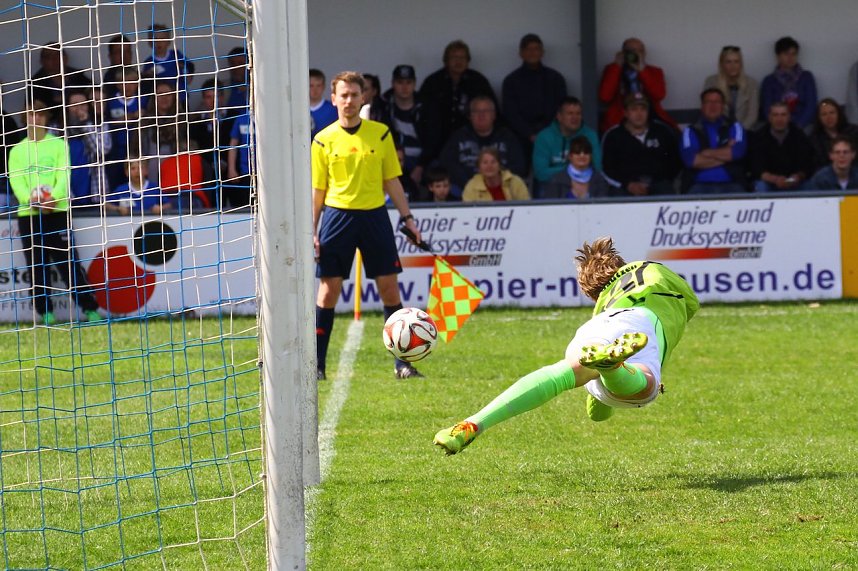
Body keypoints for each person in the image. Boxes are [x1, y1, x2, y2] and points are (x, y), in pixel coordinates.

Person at [433, 236, 699, 455]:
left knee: (563, 373)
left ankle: (473, 424)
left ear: (593, 292)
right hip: (642, 321)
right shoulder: (653, 269)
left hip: (599, 326)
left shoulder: (602, 305)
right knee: (646, 387)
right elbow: (691, 304)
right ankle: (612, 369)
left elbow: (598, 416)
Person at [311, 71, 424, 381]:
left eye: (354, 95)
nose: (348, 101)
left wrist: (408, 218)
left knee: (389, 289)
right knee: (328, 292)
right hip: (337, 216)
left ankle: (402, 364)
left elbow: (392, 180)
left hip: (375, 216)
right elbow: (318, 190)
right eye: (343, 95)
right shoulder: (322, 140)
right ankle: (317, 365)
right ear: (333, 99)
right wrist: (313, 230)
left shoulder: (381, 134)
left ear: (364, 98)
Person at [7, 101, 102, 326]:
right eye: (30, 115)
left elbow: (63, 174)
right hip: (29, 215)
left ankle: (90, 309)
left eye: (39, 114)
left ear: (46, 118)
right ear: (24, 119)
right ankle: (45, 313)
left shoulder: (59, 145)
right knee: (37, 265)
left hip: (57, 212)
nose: (35, 119)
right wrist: (29, 199)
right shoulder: (17, 150)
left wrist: (54, 199)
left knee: (69, 262)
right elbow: (16, 180)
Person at [438, 96, 526, 192]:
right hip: (465, 188)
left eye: (486, 111)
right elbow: (448, 164)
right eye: (476, 111)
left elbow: (518, 166)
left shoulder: (507, 137)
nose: (481, 115)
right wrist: (472, 184)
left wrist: (495, 182)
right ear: (470, 116)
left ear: (494, 115)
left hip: (501, 188)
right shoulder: (458, 136)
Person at [501, 33, 567, 159]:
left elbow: (562, 109)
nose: (532, 52)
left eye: (536, 49)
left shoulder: (556, 79)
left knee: (551, 172)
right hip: (519, 136)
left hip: (551, 133)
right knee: (519, 172)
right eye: (528, 49)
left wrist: (545, 134)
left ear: (542, 52)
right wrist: (529, 134)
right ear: (521, 53)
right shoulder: (511, 81)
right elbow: (510, 113)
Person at [601, 93, 680, 196]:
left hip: (658, 185)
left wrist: (660, 181)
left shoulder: (662, 131)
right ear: (625, 112)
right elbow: (606, 169)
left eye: (643, 109)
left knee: (667, 192)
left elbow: (675, 162)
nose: (639, 114)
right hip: (625, 188)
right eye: (634, 109)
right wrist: (627, 185)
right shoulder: (613, 135)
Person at [419, 40, 496, 144]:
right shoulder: (433, 82)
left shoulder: (478, 81)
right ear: (446, 60)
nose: (458, 61)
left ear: (468, 61)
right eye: (454, 57)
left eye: (462, 58)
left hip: (472, 138)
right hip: (437, 141)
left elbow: (492, 111)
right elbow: (421, 111)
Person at [598, 37, 677, 133]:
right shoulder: (612, 69)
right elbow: (605, 97)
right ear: (623, 53)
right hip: (620, 120)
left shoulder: (655, 71)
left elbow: (659, 95)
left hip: (650, 117)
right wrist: (617, 67)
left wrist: (642, 71)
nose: (636, 54)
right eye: (632, 51)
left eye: (640, 51)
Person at [381, 65, 442, 188]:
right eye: (400, 82)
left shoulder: (427, 106)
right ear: (393, 83)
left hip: (423, 159)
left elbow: (433, 141)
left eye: (409, 82)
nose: (404, 87)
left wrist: (421, 166)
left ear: (414, 84)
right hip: (394, 158)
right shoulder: (384, 105)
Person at [680, 87, 748, 194]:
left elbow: (737, 153)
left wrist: (706, 153)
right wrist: (726, 154)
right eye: (708, 102)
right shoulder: (690, 130)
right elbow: (691, 160)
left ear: (722, 106)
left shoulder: (735, 127)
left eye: (717, 102)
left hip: (732, 184)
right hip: (699, 186)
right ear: (702, 106)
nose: (713, 106)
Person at [532, 97, 601, 197]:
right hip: (552, 184)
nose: (575, 118)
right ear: (559, 116)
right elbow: (541, 173)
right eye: (570, 113)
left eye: (578, 113)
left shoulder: (590, 135)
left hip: (584, 183)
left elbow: (597, 168)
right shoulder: (544, 137)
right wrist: (572, 170)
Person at [749, 101, 814, 192]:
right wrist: (775, 179)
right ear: (769, 117)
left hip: (794, 183)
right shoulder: (759, 137)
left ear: (789, 117)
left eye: (783, 115)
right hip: (769, 183)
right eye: (775, 115)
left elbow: (807, 166)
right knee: (760, 186)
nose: (779, 119)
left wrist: (796, 178)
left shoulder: (799, 136)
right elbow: (756, 169)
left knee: (810, 185)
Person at [759, 36, 817, 130]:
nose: (790, 57)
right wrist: (780, 125)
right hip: (777, 126)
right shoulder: (769, 81)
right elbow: (767, 109)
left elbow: (811, 106)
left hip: (803, 125)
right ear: (778, 56)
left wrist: (799, 126)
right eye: (786, 54)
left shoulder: (806, 77)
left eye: (794, 54)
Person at [66, 91, 112, 206]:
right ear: (66, 107)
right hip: (66, 196)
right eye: (75, 104)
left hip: (95, 193)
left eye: (83, 104)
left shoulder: (100, 125)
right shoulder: (56, 128)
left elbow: (102, 150)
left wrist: (86, 125)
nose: (79, 109)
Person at [31, 43, 93, 125]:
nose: (54, 59)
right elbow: (32, 110)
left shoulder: (79, 77)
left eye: (58, 55)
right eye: (49, 56)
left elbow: (93, 97)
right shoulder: (35, 83)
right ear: (42, 61)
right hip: (50, 128)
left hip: (82, 123)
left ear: (65, 58)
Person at [702, 46, 759, 130]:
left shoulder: (751, 83)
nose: (733, 66)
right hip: (717, 131)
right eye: (728, 62)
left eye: (736, 62)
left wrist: (738, 132)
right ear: (721, 64)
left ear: (741, 64)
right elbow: (708, 111)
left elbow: (752, 115)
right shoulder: (711, 82)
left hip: (745, 131)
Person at [542, 136, 611, 199]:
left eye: (586, 152)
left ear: (591, 156)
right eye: (577, 152)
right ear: (570, 156)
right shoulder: (557, 180)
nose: (582, 155)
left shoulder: (600, 180)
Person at [140, 24, 195, 100]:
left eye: (162, 39)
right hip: (161, 101)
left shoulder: (177, 55)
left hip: (180, 98)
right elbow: (146, 85)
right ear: (150, 42)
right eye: (155, 39)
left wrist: (185, 70)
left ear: (169, 41)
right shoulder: (148, 63)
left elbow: (190, 68)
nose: (158, 42)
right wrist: (147, 76)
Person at [105, 155, 170, 216]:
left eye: (140, 168)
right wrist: (117, 208)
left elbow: (168, 204)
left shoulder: (155, 189)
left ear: (146, 171)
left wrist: (161, 208)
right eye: (133, 168)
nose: (137, 171)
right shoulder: (121, 190)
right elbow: (106, 205)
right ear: (127, 172)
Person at [462, 147, 530, 202]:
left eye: (493, 162)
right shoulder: (471, 186)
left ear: (499, 165)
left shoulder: (515, 182)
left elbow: (526, 207)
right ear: (479, 168)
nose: (489, 166)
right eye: (485, 163)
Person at [807, 98, 858, 171]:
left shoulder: (853, 132)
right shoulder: (814, 139)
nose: (829, 117)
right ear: (819, 118)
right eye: (824, 114)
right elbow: (816, 165)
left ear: (839, 114)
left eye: (832, 112)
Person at [226, 109, 253, 208]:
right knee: (248, 205)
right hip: (246, 172)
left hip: (268, 172)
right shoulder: (242, 118)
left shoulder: (271, 118)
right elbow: (233, 145)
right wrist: (231, 169)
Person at [310, 68, 337, 139]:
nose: (315, 90)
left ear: (323, 86)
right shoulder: (298, 110)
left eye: (318, 85)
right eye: (311, 86)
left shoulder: (334, 109)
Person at [224, 47, 249, 112]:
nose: (235, 67)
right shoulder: (222, 86)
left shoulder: (257, 87)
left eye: (240, 63)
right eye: (232, 63)